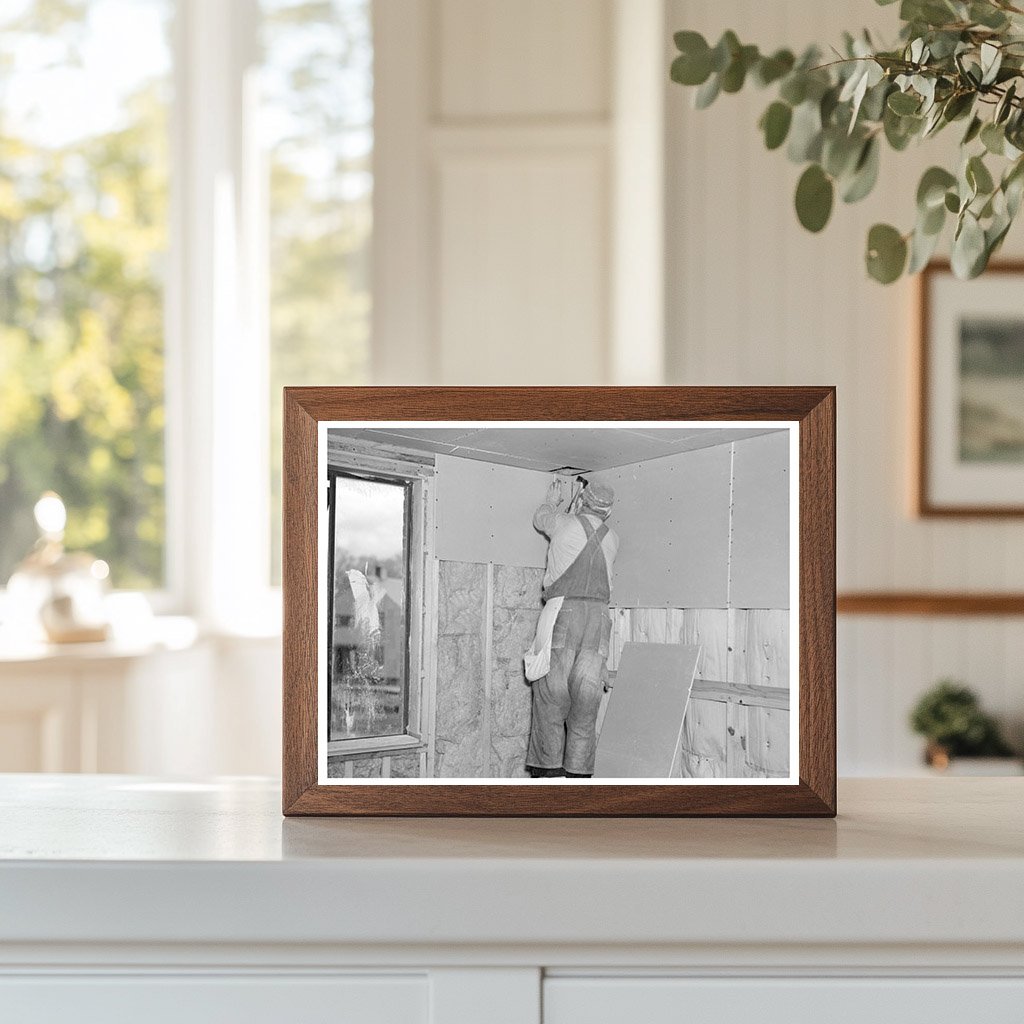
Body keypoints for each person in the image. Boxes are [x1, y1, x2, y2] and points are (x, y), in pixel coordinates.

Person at [526, 476, 618, 779]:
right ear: (608, 511)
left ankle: (548, 776)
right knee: (585, 702)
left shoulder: (564, 524)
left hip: (564, 613)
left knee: (552, 697)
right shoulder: (612, 538)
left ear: (582, 501)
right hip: (599, 621)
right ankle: (578, 778)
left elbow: (542, 519)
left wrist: (553, 500)